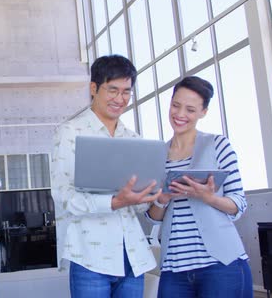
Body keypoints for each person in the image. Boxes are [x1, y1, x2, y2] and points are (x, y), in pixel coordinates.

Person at [51, 54, 162, 298]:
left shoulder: (134, 139)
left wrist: (151, 195)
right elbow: (63, 195)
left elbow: (139, 208)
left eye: (126, 91)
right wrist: (114, 202)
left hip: (133, 256)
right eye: (112, 90)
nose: (119, 99)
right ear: (94, 88)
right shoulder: (70, 133)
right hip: (90, 257)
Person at [146, 76, 252, 297]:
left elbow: (239, 204)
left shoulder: (218, 145)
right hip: (174, 268)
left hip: (220, 265)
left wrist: (208, 197)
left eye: (190, 110)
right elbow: (153, 217)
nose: (180, 114)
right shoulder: (157, 155)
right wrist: (162, 200)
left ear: (203, 112)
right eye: (175, 105)